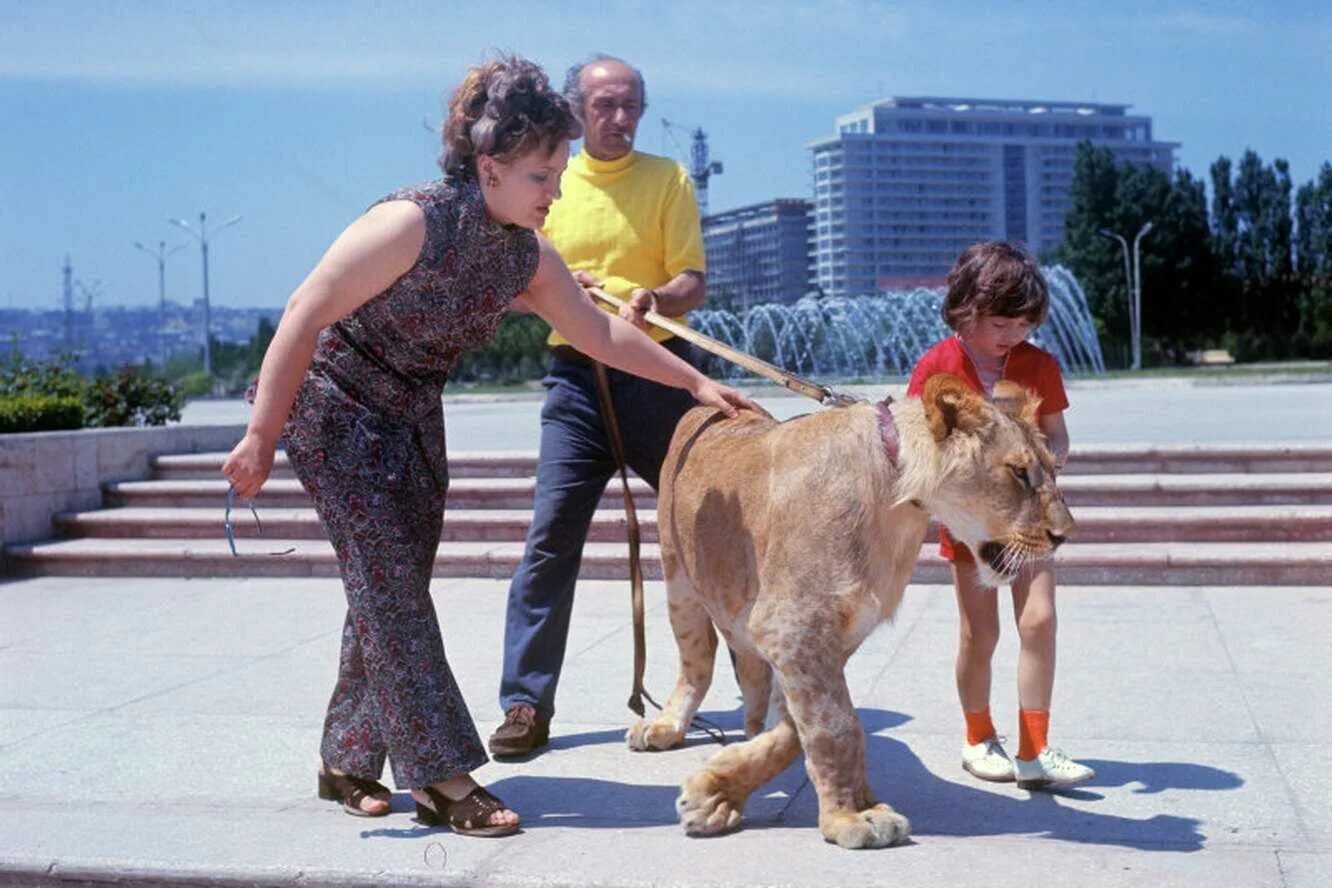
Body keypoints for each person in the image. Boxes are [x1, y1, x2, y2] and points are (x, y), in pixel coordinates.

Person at [221, 56, 751, 836]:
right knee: (392, 589)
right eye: (542, 176)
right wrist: (261, 435)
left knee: (388, 588)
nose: (557, 192)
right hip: (332, 410)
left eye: (560, 174)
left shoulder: (525, 256)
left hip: (411, 415)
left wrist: (695, 384)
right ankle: (441, 776)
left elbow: (599, 332)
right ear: (489, 166)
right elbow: (304, 310)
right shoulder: (412, 222)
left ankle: (345, 758)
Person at [489, 54, 710, 757]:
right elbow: (518, 273)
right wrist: (556, 285)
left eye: (632, 105)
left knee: (712, 527)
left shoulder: (667, 177)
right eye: (605, 105)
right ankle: (525, 703)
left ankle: (757, 683)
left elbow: (692, 279)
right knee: (551, 538)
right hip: (577, 381)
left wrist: (655, 298)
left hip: (659, 374)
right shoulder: (550, 179)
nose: (619, 118)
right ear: (575, 110)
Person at [906, 241, 1095, 790]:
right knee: (979, 634)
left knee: (1038, 621)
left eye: (1023, 323)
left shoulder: (1039, 365)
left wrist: (1046, 456)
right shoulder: (937, 366)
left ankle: (1034, 750)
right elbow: (921, 444)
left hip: (1031, 517)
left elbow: (1058, 435)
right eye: (1000, 324)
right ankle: (978, 736)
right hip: (973, 528)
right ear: (965, 311)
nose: (1013, 335)